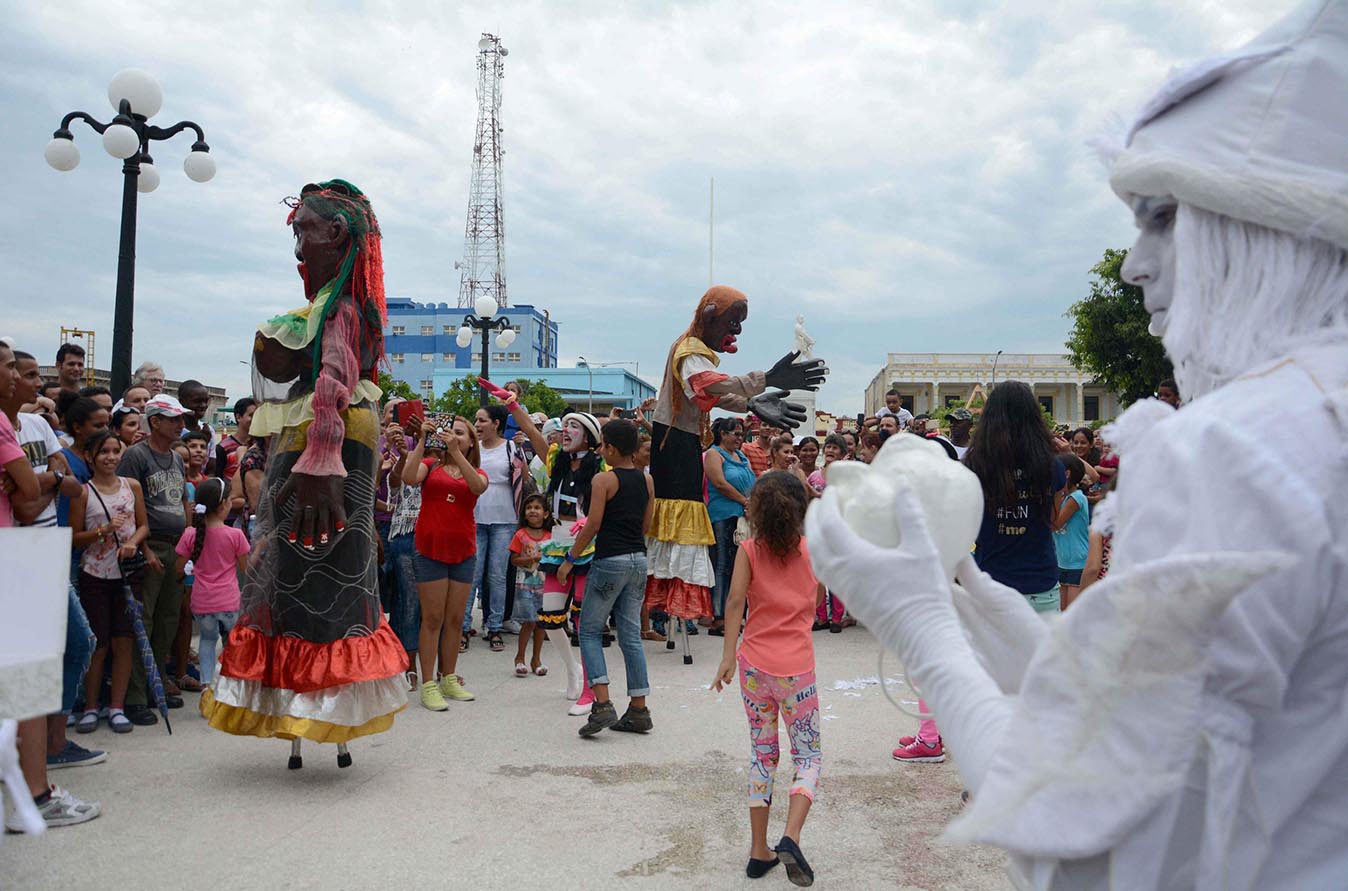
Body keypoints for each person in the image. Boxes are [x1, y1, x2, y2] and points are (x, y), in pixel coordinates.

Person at [808, 6, 1348, 884]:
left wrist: (922, 629)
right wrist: (975, 601)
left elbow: (1083, 849)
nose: (1136, 263)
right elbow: (1169, 715)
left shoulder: (1240, 444)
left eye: (1165, 216)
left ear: (1274, 225)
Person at [204, 181, 408, 765]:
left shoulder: (339, 309)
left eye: (304, 232)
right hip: (330, 443)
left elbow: (334, 378)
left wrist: (321, 454)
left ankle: (316, 716)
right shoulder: (337, 306)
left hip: (328, 448)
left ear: (335, 234)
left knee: (311, 583)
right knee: (309, 584)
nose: (298, 248)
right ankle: (318, 718)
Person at [645, 285, 823, 664]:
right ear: (710, 316)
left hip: (683, 442)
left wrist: (753, 401)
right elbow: (706, 386)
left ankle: (673, 614)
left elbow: (715, 393)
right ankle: (661, 613)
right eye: (732, 322)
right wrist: (765, 381)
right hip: (674, 445)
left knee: (682, 531)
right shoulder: (689, 351)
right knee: (678, 528)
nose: (737, 332)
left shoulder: (698, 354)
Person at [711, 470, 824, 886]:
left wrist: (726, 656)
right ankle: (790, 836)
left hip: (753, 667)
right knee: (808, 757)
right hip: (797, 670)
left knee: (763, 754)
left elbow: (735, 600)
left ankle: (759, 852)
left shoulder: (749, 550)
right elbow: (818, 597)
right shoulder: (815, 551)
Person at [558, 419, 656, 737]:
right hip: (638, 559)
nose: (600, 451)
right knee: (629, 636)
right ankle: (638, 708)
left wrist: (570, 558)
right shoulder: (646, 479)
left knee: (588, 631)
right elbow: (646, 524)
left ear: (611, 448)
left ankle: (602, 704)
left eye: (602, 446)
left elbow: (593, 523)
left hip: (609, 560)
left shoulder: (604, 480)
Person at [402, 414, 486, 709]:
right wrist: (423, 440)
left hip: (464, 551)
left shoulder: (476, 470)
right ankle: (428, 684)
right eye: (450, 432)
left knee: (454, 620)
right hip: (430, 550)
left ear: (472, 440)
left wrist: (455, 454)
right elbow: (408, 477)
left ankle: (448, 677)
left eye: (461, 433)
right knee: (433, 618)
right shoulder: (429, 465)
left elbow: (477, 487)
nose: (454, 436)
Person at [116, 393, 191, 723]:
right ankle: (134, 697)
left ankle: (155, 686)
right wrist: (143, 548)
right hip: (150, 546)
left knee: (167, 621)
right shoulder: (135, 455)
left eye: (180, 419)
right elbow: (127, 504)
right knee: (142, 621)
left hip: (175, 546)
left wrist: (187, 546)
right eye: (173, 419)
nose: (180, 425)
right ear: (155, 421)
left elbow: (181, 503)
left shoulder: (175, 458)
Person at [68, 430, 148, 734]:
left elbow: (143, 527)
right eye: (104, 452)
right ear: (90, 456)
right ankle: (91, 706)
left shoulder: (133, 487)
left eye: (116, 451)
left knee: (124, 641)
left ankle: (117, 706)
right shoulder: (84, 492)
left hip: (128, 573)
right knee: (97, 644)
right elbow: (75, 538)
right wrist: (102, 531)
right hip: (95, 574)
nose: (111, 457)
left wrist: (133, 543)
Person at [964, 380, 1067, 614]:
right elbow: (1052, 521)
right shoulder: (1052, 467)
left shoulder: (974, 467)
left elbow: (966, 526)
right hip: (1040, 585)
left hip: (989, 586)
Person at [465, 395, 548, 651]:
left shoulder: (512, 448)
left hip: (505, 520)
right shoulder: (470, 448)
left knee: (498, 576)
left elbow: (524, 480)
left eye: (482, 420)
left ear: (496, 423)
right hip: (474, 519)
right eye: (476, 420)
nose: (477, 424)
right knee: (473, 575)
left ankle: (495, 626)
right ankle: (463, 627)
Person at [175, 478, 248, 687]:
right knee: (233, 643)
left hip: (201, 602)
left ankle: (206, 686)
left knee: (207, 640)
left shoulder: (190, 534)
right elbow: (246, 568)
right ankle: (232, 686)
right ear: (224, 504)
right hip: (229, 602)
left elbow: (178, 569)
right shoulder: (235, 535)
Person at [704, 417, 754, 636]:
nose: (739, 437)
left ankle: (734, 614)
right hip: (722, 516)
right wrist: (745, 501)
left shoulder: (741, 456)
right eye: (734, 433)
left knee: (737, 567)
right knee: (722, 566)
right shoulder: (714, 454)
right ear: (722, 434)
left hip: (742, 518)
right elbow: (720, 483)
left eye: (741, 433)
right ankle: (718, 616)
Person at [381, 418, 421, 689]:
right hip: (405, 536)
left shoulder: (441, 458)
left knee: (427, 608)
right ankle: (406, 663)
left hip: (437, 538)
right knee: (407, 602)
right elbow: (397, 479)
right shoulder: (393, 457)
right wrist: (402, 454)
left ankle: (438, 668)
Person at [508, 493, 552, 678]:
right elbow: (514, 560)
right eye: (529, 508)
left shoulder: (551, 536)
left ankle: (536, 659)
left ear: (546, 514)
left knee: (542, 622)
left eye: (537, 508)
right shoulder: (520, 535)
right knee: (529, 621)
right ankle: (520, 658)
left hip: (544, 585)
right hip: (524, 585)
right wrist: (532, 558)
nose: (532, 511)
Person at [1052, 455, 1090, 610]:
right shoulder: (1063, 497)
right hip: (1062, 561)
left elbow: (1055, 524)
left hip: (1077, 562)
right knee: (1061, 613)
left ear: (1066, 474)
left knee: (1071, 614)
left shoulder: (1076, 498)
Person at [215, 397, 256, 482]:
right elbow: (218, 478)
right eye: (251, 415)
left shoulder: (262, 444)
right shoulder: (223, 447)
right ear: (238, 417)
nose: (256, 419)